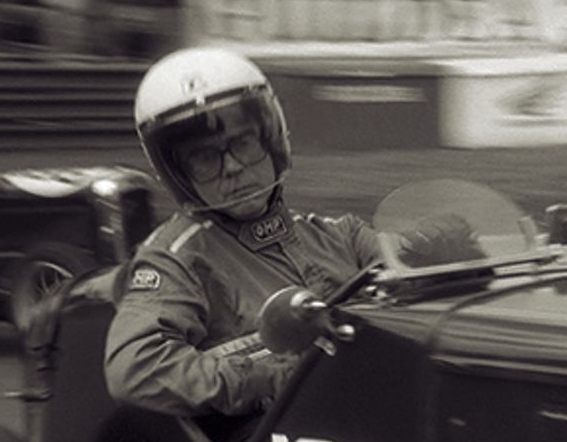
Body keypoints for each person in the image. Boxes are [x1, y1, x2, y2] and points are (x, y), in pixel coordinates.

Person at [104, 47, 384, 417]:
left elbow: (407, 276)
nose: (232, 168)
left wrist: (437, 249)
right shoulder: (176, 257)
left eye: (242, 143)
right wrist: (265, 378)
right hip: (277, 439)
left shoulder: (340, 234)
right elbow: (134, 368)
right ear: (180, 174)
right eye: (205, 157)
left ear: (270, 141)